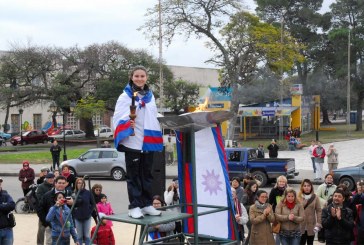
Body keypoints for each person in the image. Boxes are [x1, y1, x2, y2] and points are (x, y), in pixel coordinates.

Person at [113, 65, 163, 219]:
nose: (140, 79)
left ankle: (147, 204)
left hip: (148, 140)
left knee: (147, 174)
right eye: (137, 76)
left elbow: (152, 114)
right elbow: (118, 117)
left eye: (142, 76)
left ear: (146, 78)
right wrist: (127, 124)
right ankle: (134, 205)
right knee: (134, 176)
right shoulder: (125, 97)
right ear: (131, 77)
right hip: (132, 141)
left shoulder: (150, 96)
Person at [37, 176, 74, 245]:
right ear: (55, 183)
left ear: (66, 184)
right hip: (51, 227)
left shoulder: (69, 194)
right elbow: (40, 209)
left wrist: (73, 203)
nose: (61, 185)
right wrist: (46, 223)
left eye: (63, 183)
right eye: (59, 183)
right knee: (50, 243)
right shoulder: (47, 195)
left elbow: (77, 206)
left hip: (65, 228)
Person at [297, 179, 322, 245]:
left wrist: (318, 223)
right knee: (301, 243)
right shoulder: (298, 197)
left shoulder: (315, 197)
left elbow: (319, 210)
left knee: (310, 243)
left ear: (311, 187)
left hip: (311, 225)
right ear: (302, 187)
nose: (306, 187)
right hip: (300, 224)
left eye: (308, 185)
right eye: (304, 186)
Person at [36, 172, 55, 245]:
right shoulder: (41, 187)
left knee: (50, 230)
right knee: (41, 230)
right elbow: (39, 198)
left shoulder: (54, 186)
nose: (51, 179)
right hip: (43, 211)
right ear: (46, 179)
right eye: (49, 178)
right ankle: (39, 243)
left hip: (52, 211)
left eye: (52, 178)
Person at [73, 178, 94, 245]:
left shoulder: (88, 193)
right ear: (76, 184)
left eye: (82, 182)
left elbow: (93, 203)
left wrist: (89, 211)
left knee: (87, 236)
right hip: (77, 217)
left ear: (84, 184)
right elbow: (71, 205)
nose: (80, 184)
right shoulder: (74, 193)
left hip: (87, 217)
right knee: (79, 236)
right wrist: (74, 213)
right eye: (79, 183)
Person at [269, 175, 288, 245]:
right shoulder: (273, 190)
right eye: (280, 181)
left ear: (285, 182)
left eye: (283, 182)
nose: (281, 183)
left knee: (286, 230)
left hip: (286, 213)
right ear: (277, 182)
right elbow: (270, 202)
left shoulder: (288, 190)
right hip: (276, 213)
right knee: (277, 230)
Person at [242, 180, 259, 245]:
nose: (255, 188)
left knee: (253, 232)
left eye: (256, 187)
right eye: (254, 187)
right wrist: (252, 206)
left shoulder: (255, 194)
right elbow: (242, 206)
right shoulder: (246, 195)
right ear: (250, 187)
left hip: (254, 215)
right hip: (248, 216)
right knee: (251, 231)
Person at [0, 177, 16, 245]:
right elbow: (8, 206)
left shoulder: (5, 195)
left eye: (0, 183)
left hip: (7, 229)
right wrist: (5, 206)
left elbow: (12, 205)